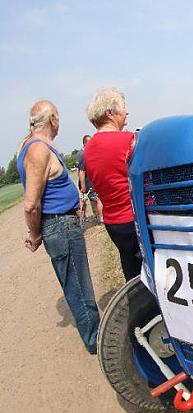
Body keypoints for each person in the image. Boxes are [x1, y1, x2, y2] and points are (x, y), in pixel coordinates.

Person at [16, 100, 99, 354]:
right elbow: (31, 204)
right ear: (52, 119)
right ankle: (96, 341)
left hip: (60, 223)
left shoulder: (29, 145)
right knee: (78, 285)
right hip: (60, 225)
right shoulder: (38, 150)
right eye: (58, 117)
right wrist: (35, 233)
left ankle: (93, 335)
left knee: (75, 283)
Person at [83, 88, 142, 281]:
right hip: (135, 220)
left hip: (113, 223)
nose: (127, 112)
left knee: (130, 270)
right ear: (110, 113)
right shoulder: (129, 140)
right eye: (123, 107)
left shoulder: (88, 149)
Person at [77, 134, 102, 223]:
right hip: (88, 183)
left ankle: (94, 216)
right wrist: (83, 186)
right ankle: (100, 218)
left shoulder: (83, 153)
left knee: (91, 200)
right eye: (90, 142)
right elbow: (81, 171)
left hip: (89, 182)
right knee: (97, 199)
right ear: (84, 143)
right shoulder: (83, 155)